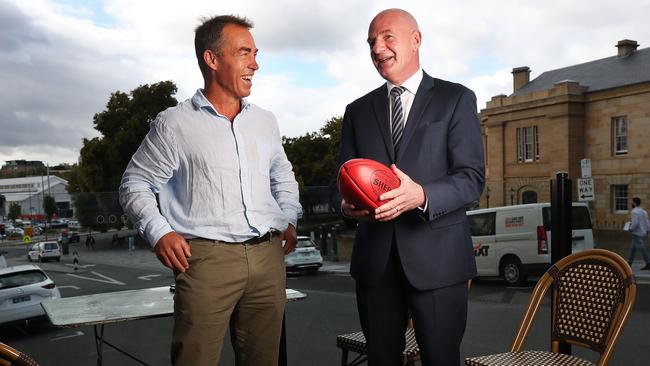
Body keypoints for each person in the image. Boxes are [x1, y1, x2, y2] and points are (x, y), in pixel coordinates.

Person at [119, 15, 301, 366]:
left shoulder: (266, 121)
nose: (255, 64)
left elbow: (283, 175)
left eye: (255, 53)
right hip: (205, 262)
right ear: (212, 59)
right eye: (244, 52)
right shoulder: (174, 123)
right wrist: (159, 232)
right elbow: (135, 183)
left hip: (268, 258)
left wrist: (289, 217)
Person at [330, 9, 484, 366]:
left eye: (387, 37)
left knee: (441, 360)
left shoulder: (456, 99)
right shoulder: (357, 110)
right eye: (371, 42)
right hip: (375, 264)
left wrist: (422, 195)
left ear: (416, 39)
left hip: (439, 263)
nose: (378, 48)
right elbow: (338, 180)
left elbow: (471, 178)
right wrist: (345, 205)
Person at [626, 197, 650, 270]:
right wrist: (648, 230)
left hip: (636, 232)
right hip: (642, 231)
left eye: (632, 202)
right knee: (633, 247)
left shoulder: (634, 211)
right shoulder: (643, 211)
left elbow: (635, 223)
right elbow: (647, 222)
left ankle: (648, 262)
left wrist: (630, 229)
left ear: (635, 203)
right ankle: (629, 262)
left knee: (642, 248)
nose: (631, 203)